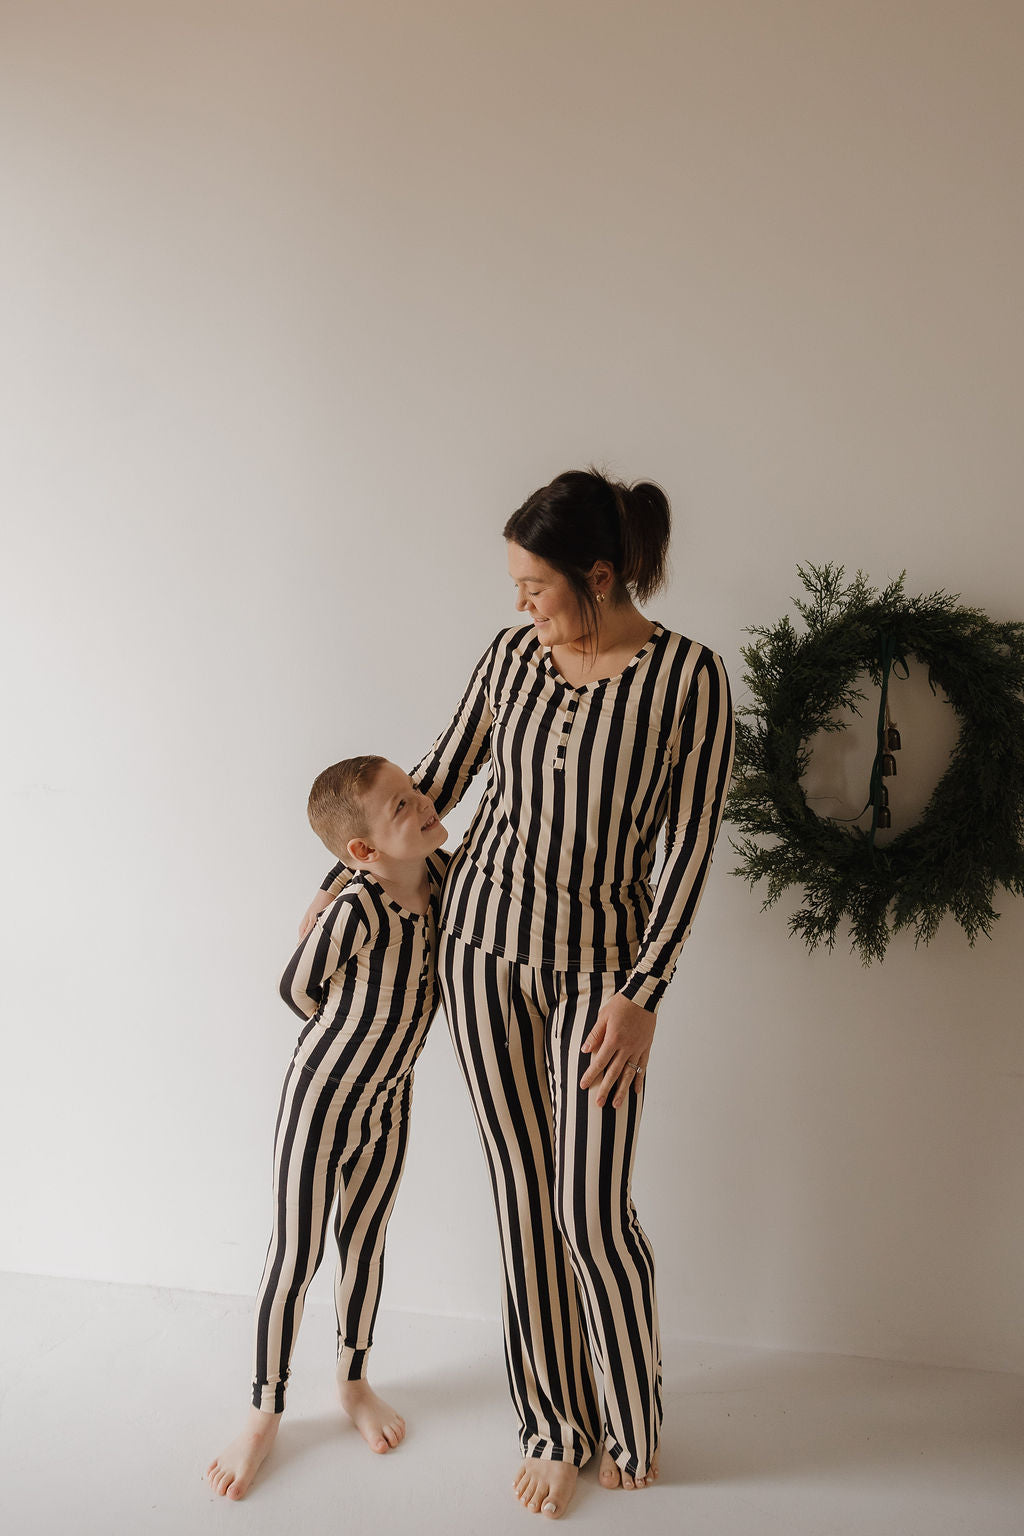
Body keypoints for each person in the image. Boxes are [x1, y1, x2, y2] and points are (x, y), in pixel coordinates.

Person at [303, 468, 735, 1520]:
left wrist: (643, 994)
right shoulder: (511, 655)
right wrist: (340, 875)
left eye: (534, 586)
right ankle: (553, 1421)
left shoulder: (690, 679)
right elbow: (437, 775)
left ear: (600, 574)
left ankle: (631, 1414)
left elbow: (687, 851)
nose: (519, 605)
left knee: (591, 1211)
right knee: (525, 1199)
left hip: (602, 978)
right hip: (480, 950)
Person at [206, 756, 449, 1501]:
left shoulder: (447, 881)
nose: (422, 806)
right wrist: (351, 1043)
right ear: (364, 854)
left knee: (365, 1242)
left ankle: (352, 1382)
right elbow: (297, 988)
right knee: (297, 1255)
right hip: (323, 1097)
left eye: (415, 793)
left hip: (391, 1100)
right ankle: (264, 1411)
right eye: (401, 807)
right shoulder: (359, 907)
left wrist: (383, 1066)